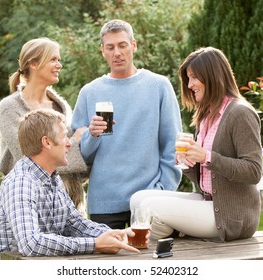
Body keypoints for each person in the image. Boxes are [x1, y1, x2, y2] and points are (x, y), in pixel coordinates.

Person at [130, 47, 262, 242]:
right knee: (138, 199)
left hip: (231, 216)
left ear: (212, 77)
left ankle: (143, 253)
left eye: (194, 78)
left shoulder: (240, 113)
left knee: (150, 208)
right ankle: (160, 241)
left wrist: (207, 157)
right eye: (188, 79)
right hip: (208, 201)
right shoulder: (205, 116)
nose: (190, 85)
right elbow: (204, 178)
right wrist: (187, 162)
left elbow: (253, 171)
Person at [71, 19, 182, 229]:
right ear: (102, 50)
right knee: (107, 263)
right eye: (110, 47)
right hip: (104, 202)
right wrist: (91, 136)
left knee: (155, 261)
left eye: (122, 45)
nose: (117, 53)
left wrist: (162, 190)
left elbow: (173, 146)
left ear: (134, 45)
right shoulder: (89, 92)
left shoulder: (158, 86)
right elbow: (78, 156)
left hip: (149, 199)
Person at [0, 109, 144, 260]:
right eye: (64, 136)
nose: (69, 144)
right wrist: (95, 244)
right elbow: (31, 244)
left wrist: (115, 234)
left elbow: (75, 223)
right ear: (47, 142)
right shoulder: (21, 183)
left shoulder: (52, 178)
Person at [0, 37, 88, 214]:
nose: (59, 65)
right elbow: (28, 158)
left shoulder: (61, 106)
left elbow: (71, 154)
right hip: (32, 202)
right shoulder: (10, 108)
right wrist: (74, 141)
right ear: (34, 63)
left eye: (59, 60)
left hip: (71, 202)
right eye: (53, 59)